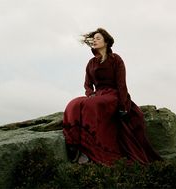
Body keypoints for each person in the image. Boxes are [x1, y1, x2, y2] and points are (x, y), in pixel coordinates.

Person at [63, 28, 162, 165]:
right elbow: (87, 85)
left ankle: (89, 150)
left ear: (106, 42)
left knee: (92, 105)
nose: (95, 41)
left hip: (113, 95)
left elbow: (121, 84)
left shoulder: (116, 60)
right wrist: (90, 94)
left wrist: (123, 106)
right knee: (73, 103)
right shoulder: (91, 63)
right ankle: (73, 144)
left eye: (98, 38)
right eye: (94, 39)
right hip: (97, 94)